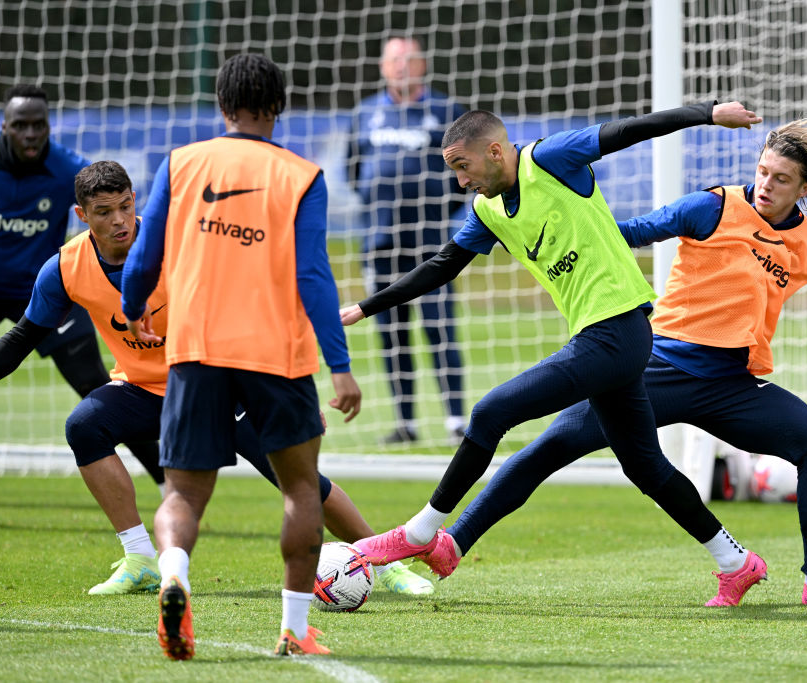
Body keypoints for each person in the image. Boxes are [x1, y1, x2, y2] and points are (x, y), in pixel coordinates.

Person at [423, 119, 807, 607]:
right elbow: (624, 233)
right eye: (763, 171)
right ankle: (452, 544)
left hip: (731, 385)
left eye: (781, 179)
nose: (766, 184)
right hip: (654, 369)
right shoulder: (709, 206)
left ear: (806, 189)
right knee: (551, 444)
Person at [340, 101, 763, 582]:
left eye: (464, 166)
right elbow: (443, 265)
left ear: (495, 151)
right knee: (645, 467)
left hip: (618, 331)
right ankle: (736, 561)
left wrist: (708, 113)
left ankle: (420, 533)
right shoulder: (488, 210)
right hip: (606, 341)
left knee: (490, 412)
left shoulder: (551, 158)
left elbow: (629, 130)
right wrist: (365, 307)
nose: (460, 181)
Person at [0, 161, 432, 598]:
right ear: (81, 216)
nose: (120, 220)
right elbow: (21, 339)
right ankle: (141, 559)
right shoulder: (65, 268)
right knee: (85, 426)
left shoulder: (179, 245)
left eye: (126, 206)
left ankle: (383, 562)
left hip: (220, 383)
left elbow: (251, 306)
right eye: (105, 211)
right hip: (143, 389)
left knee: (300, 483)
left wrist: (287, 387)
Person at [121, 54, 363, 659]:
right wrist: (339, 365)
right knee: (301, 488)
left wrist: (131, 307)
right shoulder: (303, 176)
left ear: (222, 106)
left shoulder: (182, 163)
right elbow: (314, 276)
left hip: (196, 349)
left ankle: (173, 575)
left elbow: (145, 254)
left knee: (183, 494)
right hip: (275, 356)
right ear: (278, 109)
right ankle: (295, 628)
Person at [0, 84, 164, 488]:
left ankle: (165, 484)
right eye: (22, 125)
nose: (31, 133)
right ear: (5, 126)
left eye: (40, 125)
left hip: (44, 290)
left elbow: (105, 207)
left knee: (99, 386)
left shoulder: (70, 171)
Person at [349, 36, 467, 444]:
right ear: (383, 67)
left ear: (423, 65)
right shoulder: (365, 113)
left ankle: (455, 420)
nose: (401, 66)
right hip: (381, 243)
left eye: (409, 59)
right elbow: (354, 170)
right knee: (392, 334)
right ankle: (406, 423)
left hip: (431, 243)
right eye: (393, 60)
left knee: (440, 327)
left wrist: (437, 210)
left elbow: (462, 175)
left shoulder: (445, 111)